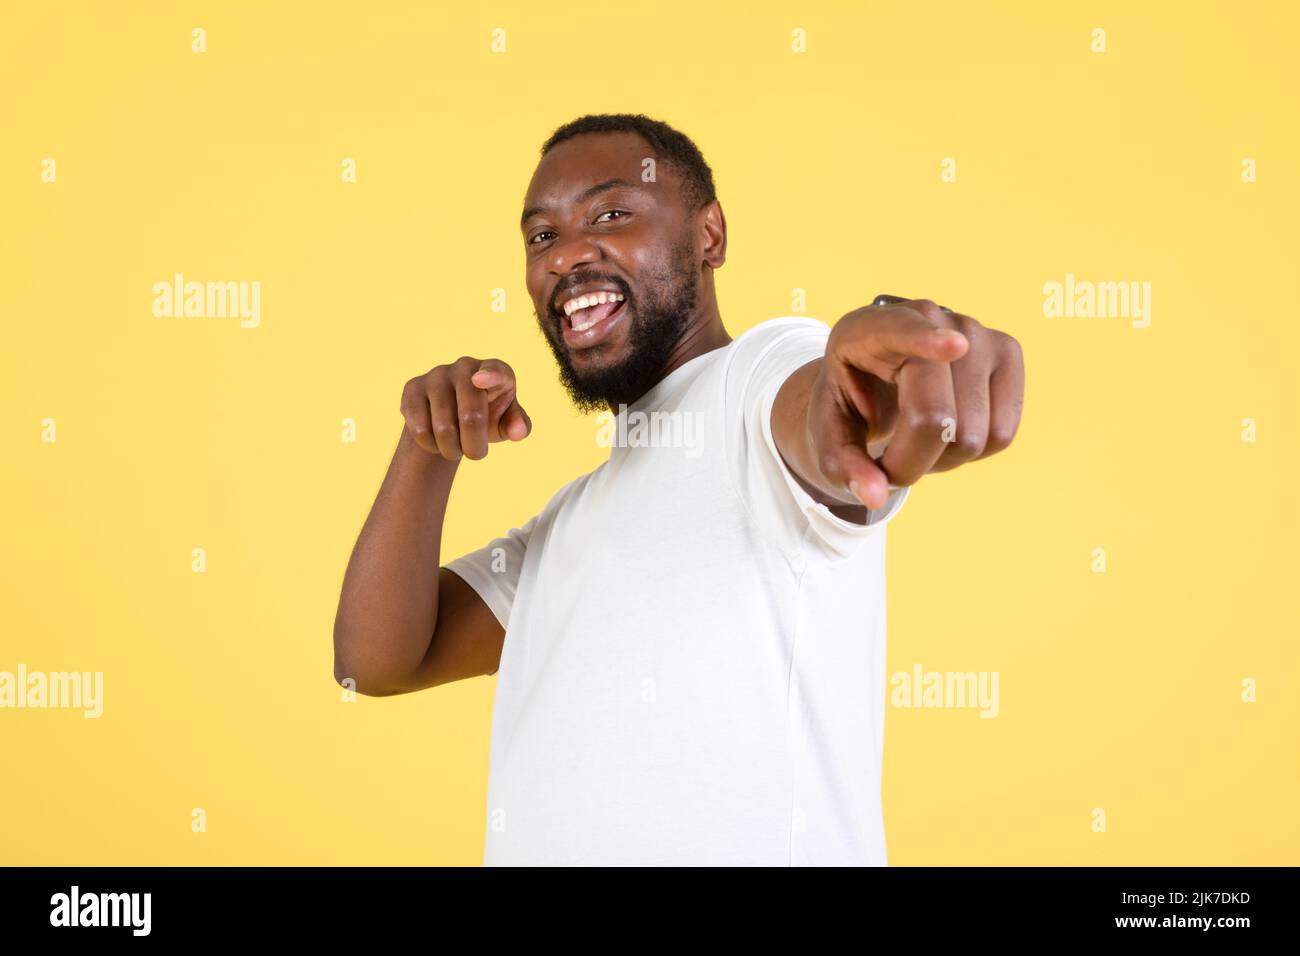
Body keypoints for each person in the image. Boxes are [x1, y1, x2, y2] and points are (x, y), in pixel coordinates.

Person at [333, 113, 1025, 865]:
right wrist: (426, 446)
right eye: (541, 236)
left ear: (709, 236)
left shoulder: (755, 376)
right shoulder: (568, 524)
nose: (567, 255)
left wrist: (869, 390)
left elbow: (816, 408)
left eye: (611, 214)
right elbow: (374, 660)